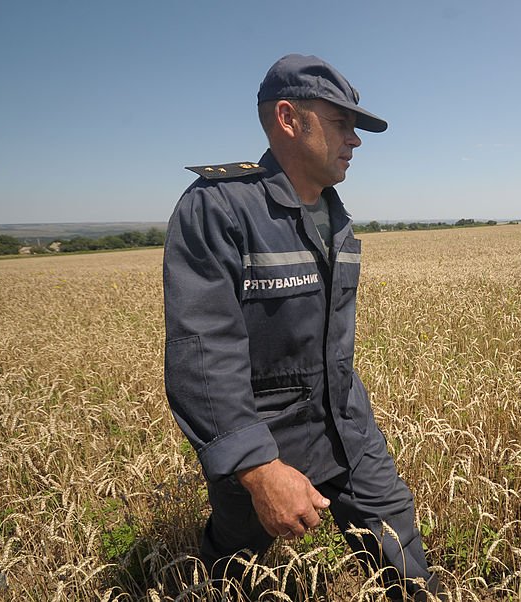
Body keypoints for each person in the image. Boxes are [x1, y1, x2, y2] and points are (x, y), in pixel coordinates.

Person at [163, 54, 442, 600]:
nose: (355, 140)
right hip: (265, 432)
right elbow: (203, 351)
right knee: (234, 566)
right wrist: (259, 467)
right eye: (342, 123)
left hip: (346, 423)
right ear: (289, 119)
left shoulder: (335, 214)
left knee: (399, 545)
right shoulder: (219, 208)